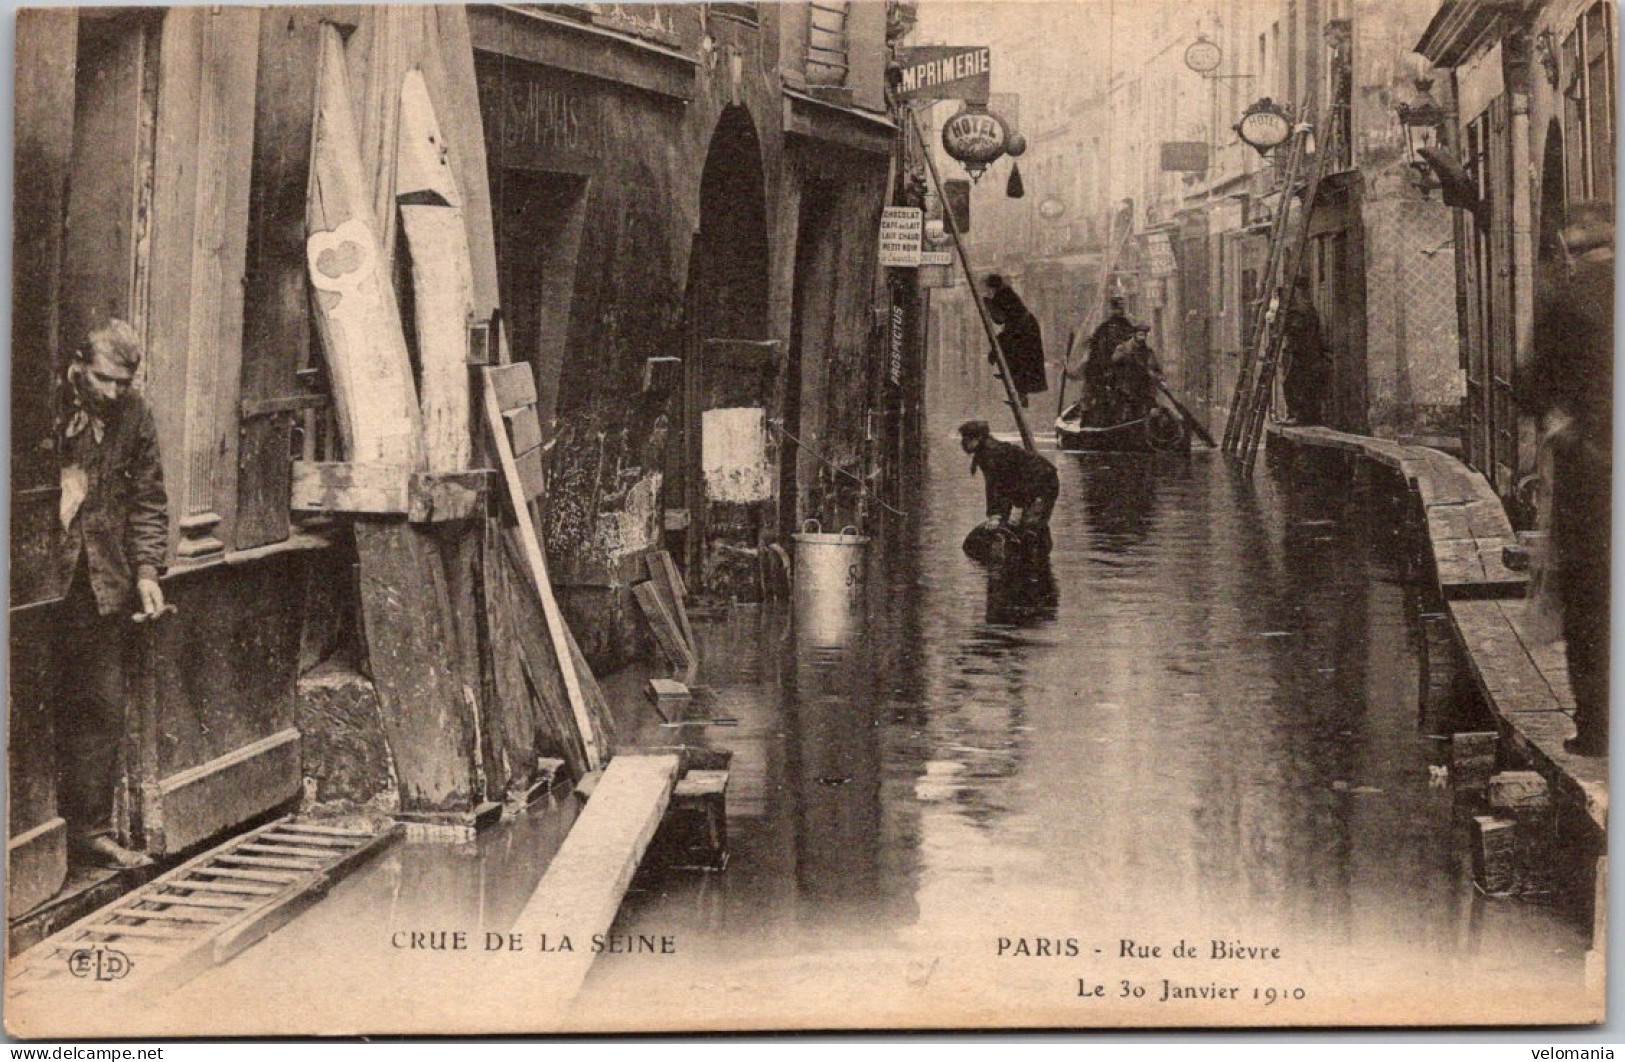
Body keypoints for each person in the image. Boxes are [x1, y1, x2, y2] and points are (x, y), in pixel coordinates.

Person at [53, 318, 170, 868]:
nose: (113, 392)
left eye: (124, 382)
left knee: (100, 703)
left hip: (101, 585)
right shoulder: (44, 405)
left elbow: (148, 498)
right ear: (80, 365)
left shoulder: (134, 414)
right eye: (104, 380)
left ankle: (90, 832)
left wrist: (147, 570)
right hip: (40, 583)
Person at [1521, 201, 1612, 757]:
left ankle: (1598, 728)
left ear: (1570, 245)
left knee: (1591, 597)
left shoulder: (1565, 298)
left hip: (1591, 469)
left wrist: (1560, 422)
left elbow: (1529, 385)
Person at [958, 420, 1059, 550]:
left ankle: (1037, 559)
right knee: (1032, 527)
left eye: (967, 439)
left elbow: (996, 486)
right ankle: (1040, 558)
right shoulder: (988, 451)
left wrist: (995, 516)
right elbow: (1001, 486)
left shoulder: (990, 454)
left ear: (978, 438)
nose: (963, 443)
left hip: (1043, 485)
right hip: (1038, 483)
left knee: (1031, 528)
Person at [982, 274, 1047, 407]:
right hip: (1022, 328)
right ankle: (1019, 392)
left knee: (1019, 360)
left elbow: (999, 319)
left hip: (1024, 329)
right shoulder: (1005, 294)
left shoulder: (1004, 295)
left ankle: (1021, 396)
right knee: (1015, 358)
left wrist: (987, 304)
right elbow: (1001, 320)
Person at [1076, 296, 1137, 418]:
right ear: (1112, 309)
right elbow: (1095, 347)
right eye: (1117, 308)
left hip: (1123, 368)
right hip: (1105, 368)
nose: (1119, 311)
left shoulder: (1129, 327)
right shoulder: (1104, 328)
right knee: (1099, 394)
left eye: (1121, 308)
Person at [1281, 277, 1329, 425]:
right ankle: (1299, 415)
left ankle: (1300, 416)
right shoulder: (1303, 308)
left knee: (1295, 383)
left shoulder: (1302, 309)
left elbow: (1296, 330)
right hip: (1304, 352)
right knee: (1296, 383)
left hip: (1304, 353)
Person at [1109, 324, 1162, 421]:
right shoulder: (1123, 348)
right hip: (1124, 389)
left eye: (1144, 335)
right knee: (1121, 417)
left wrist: (1157, 377)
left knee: (1142, 416)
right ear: (1134, 335)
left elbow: (1154, 368)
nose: (1142, 338)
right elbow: (1113, 362)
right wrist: (1126, 356)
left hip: (1141, 390)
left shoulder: (1148, 352)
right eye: (1140, 334)